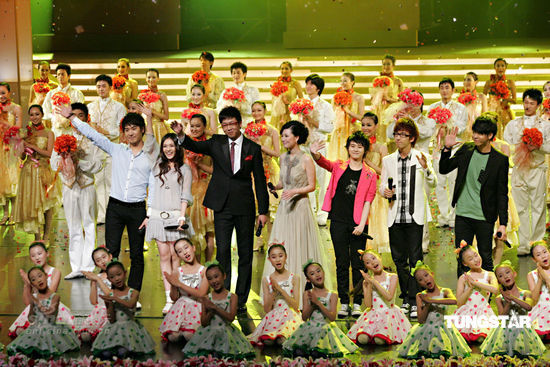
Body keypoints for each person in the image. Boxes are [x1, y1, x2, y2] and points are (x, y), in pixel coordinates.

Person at [172, 106, 269, 313]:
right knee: (222, 251)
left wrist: (263, 211)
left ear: (240, 123)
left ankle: (240, 299)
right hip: (222, 206)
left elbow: (260, 181)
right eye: (224, 125)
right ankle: (222, 295)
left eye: (232, 124)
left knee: (245, 254)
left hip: (245, 207)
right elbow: (195, 146)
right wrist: (181, 135)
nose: (228, 128)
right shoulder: (216, 142)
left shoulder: (252, 148)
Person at [57, 103, 158, 298]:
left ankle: (133, 295)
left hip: (137, 209)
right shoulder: (117, 149)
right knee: (112, 252)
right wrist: (72, 118)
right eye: (126, 129)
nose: (130, 133)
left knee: (137, 255)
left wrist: (150, 212)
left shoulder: (149, 156)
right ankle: (113, 293)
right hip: (115, 208)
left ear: (142, 130)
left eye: (134, 129)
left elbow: (153, 185)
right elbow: (94, 135)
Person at [310, 131, 377, 317]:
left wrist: (362, 225)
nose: (355, 149)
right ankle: (344, 301)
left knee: (358, 263)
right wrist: (315, 153)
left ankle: (357, 302)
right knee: (341, 262)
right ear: (348, 148)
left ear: (365, 150)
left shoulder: (370, 174)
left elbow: (368, 202)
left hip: (358, 224)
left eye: (360, 146)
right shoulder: (339, 166)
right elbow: (324, 163)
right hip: (338, 220)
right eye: (352, 146)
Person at [262, 121, 328, 304]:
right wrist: (275, 187)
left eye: (286, 136)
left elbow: (312, 186)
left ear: (297, 137)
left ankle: (301, 290)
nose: (283, 139)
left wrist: (294, 192)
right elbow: (284, 182)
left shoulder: (306, 159)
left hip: (300, 207)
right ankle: (282, 288)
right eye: (282, 136)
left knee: (299, 243)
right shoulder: (282, 158)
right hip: (285, 207)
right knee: (284, 243)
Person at [380, 118, 436, 318]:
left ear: (412, 138)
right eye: (396, 134)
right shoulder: (388, 160)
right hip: (395, 215)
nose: (399, 138)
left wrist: (427, 169)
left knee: (415, 259)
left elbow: (433, 182)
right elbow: (381, 186)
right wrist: (384, 192)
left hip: (415, 216)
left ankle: (414, 298)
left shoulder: (421, 157)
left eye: (403, 135)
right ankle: (405, 297)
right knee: (398, 260)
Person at [439, 115, 509, 276]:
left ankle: (486, 296)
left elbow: (502, 194)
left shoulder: (499, 160)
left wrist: (503, 223)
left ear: (490, 136)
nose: (475, 136)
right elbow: (444, 168)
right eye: (475, 132)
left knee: (485, 257)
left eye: (481, 133)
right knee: (462, 257)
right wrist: (447, 149)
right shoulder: (467, 150)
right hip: (463, 214)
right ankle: (464, 297)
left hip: (484, 216)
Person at [50, 103, 102, 279]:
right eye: (74, 115)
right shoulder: (62, 137)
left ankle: (88, 265)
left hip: (86, 186)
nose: (77, 118)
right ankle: (76, 266)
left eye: (81, 115)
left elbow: (98, 165)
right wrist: (65, 159)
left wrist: (79, 160)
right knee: (73, 227)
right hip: (69, 187)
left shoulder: (93, 139)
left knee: (89, 225)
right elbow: (52, 164)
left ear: (86, 118)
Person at [144, 133, 194, 314]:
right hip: (158, 217)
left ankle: (179, 294)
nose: (168, 149)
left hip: (175, 218)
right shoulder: (157, 166)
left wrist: (182, 216)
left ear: (177, 147)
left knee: (175, 255)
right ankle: (168, 298)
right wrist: (149, 215)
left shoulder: (185, 169)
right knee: (164, 256)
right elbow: (149, 145)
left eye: (171, 146)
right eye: (165, 146)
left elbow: (185, 195)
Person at [503, 88, 550, 256]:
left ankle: (536, 242)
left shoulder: (546, 125)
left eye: (531, 103)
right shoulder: (513, 124)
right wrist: (520, 145)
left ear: (538, 105)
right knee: (520, 207)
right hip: (519, 170)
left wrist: (537, 146)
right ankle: (523, 245)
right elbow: (506, 144)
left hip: (537, 169)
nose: (527, 106)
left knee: (538, 207)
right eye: (525, 102)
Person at [282, 261, 358, 358]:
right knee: (299, 352)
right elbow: (304, 317)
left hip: (325, 328)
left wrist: (318, 304)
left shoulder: (332, 294)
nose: (317, 275)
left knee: (318, 352)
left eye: (318, 271)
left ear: (323, 272)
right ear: (308, 279)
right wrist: (312, 305)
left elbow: (332, 317)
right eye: (312, 274)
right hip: (310, 328)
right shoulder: (307, 293)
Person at [182, 262, 256, 360]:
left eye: (216, 276)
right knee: (207, 355)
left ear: (224, 276)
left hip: (226, 331)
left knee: (226, 354)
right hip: (210, 331)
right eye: (210, 278)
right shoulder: (207, 298)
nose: (214, 281)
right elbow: (204, 323)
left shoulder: (232, 297)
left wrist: (215, 308)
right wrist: (211, 311)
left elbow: (230, 318)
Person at [398, 261, 471, 359]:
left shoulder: (445, 291)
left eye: (426, 275)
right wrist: (427, 304)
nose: (425, 279)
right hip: (427, 329)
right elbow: (420, 320)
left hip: (442, 327)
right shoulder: (420, 296)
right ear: (419, 283)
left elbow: (454, 301)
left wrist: (431, 300)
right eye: (420, 279)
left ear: (432, 274)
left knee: (442, 351)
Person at [7, 267, 80, 357]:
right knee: (29, 346)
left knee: (50, 348)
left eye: (40, 276)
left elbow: (51, 314)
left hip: (51, 328)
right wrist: (32, 307)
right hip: (37, 328)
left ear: (46, 276)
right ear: (32, 284)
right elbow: (30, 318)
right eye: (34, 279)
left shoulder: (55, 296)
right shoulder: (34, 297)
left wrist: (38, 304)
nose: (38, 280)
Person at [480, 261, 545, 357]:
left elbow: (528, 307)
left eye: (507, 272)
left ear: (514, 274)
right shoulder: (499, 298)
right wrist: (508, 303)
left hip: (522, 329)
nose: (505, 276)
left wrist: (512, 298)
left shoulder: (525, 293)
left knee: (524, 355)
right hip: (506, 329)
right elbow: (501, 317)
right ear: (498, 281)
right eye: (501, 276)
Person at [12, 105, 58, 241]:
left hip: (44, 170)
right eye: (31, 115)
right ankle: (37, 238)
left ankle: (47, 235)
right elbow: (21, 157)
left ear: (42, 114)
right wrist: (20, 146)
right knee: (32, 204)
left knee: (47, 205)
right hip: (29, 171)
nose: (34, 117)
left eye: (37, 114)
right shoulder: (25, 133)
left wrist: (33, 146)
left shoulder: (49, 133)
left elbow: (49, 154)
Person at [91, 261, 155, 359]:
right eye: (112, 277)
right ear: (109, 279)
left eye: (119, 274)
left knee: (124, 351)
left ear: (125, 273)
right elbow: (111, 319)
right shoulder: (110, 294)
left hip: (129, 327)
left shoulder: (133, 292)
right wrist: (110, 303)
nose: (116, 279)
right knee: (106, 353)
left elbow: (131, 305)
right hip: (114, 328)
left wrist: (115, 299)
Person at [9, 242, 74, 337]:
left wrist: (32, 283)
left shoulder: (55, 272)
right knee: (24, 330)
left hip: (51, 306)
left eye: (40, 254)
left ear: (47, 253)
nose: (37, 258)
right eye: (33, 256)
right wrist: (27, 284)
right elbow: (27, 303)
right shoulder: (30, 275)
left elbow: (50, 294)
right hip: (35, 307)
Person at [347, 249, 411, 345]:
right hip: (373, 314)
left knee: (379, 340)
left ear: (379, 258)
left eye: (373, 258)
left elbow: (389, 297)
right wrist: (367, 286)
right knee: (362, 339)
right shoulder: (367, 281)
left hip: (389, 314)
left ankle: (379, 337)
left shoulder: (392, 277)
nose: (373, 262)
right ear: (366, 267)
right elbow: (368, 305)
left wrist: (374, 282)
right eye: (368, 262)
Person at [428, 77, 468, 228]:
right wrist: (438, 125)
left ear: (453, 90)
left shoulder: (460, 108)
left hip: (454, 149)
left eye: (447, 87)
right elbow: (430, 127)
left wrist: (447, 122)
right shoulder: (432, 107)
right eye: (442, 87)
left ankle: (453, 215)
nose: (444, 90)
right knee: (439, 182)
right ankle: (442, 215)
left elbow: (462, 127)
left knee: (453, 182)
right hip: (438, 148)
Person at [88, 74, 126, 225]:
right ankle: (101, 215)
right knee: (97, 182)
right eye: (98, 86)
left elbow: (122, 130)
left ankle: (113, 215)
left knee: (111, 182)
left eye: (104, 86)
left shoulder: (119, 107)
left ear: (110, 88)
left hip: (112, 148)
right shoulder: (90, 106)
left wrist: (106, 132)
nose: (101, 89)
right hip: (96, 149)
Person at [248, 243, 302, 346]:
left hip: (290, 315)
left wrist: (280, 289)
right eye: (274, 257)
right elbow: (267, 309)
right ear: (269, 260)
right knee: (268, 341)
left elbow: (295, 305)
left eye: (280, 256)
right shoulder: (267, 280)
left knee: (282, 340)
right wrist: (273, 293)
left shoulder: (294, 278)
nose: (278, 260)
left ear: (285, 257)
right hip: (275, 316)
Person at [246, 101, 280, 251]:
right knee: (254, 207)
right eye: (253, 111)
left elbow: (277, 153)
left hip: (269, 169)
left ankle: (271, 240)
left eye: (259, 110)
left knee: (270, 207)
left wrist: (260, 145)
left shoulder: (272, 130)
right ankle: (257, 239)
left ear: (265, 111)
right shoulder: (247, 130)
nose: (256, 113)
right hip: (252, 170)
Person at [160, 238, 208, 342]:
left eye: (186, 248)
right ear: (178, 256)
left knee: (189, 335)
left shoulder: (204, 270)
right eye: (180, 251)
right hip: (182, 308)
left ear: (193, 248)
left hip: (197, 306)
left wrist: (179, 284)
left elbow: (201, 293)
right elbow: (174, 297)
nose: (185, 252)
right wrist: (173, 285)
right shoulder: (178, 271)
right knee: (174, 337)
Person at [182, 114, 215, 262]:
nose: (195, 129)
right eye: (192, 126)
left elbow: (215, 171)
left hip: (206, 191)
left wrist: (199, 164)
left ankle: (208, 265)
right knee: (192, 233)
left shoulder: (211, 145)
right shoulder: (184, 146)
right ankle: (196, 267)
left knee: (209, 234)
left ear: (204, 128)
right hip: (189, 191)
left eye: (198, 126)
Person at [303, 74, 335, 225]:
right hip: (303, 146)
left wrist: (313, 122)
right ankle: (309, 209)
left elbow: (330, 127)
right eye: (307, 84)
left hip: (320, 145)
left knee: (321, 179)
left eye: (311, 84)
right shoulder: (300, 104)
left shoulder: (326, 105)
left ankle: (322, 212)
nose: (308, 86)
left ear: (318, 88)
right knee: (305, 178)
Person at [453, 242, 498, 342]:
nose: (476, 260)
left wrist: (476, 283)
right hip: (467, 314)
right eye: (470, 259)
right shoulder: (463, 278)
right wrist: (469, 288)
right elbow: (459, 303)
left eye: (476, 255)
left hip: (483, 313)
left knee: (481, 338)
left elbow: (495, 289)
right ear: (465, 263)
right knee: (462, 338)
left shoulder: (489, 275)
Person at [361, 112, 390, 253]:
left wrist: (368, 162)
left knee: (376, 224)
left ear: (376, 127)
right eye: (363, 125)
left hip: (375, 190)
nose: (365, 128)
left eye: (369, 125)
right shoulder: (357, 145)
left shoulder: (381, 147)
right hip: (361, 188)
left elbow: (384, 172)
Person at [79, 247, 113, 342]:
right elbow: (94, 301)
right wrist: (94, 281)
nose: (102, 261)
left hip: (113, 310)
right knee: (85, 336)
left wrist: (98, 280)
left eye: (104, 257)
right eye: (98, 260)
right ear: (96, 264)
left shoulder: (117, 273)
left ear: (110, 257)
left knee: (107, 334)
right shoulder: (97, 277)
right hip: (100, 311)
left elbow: (111, 295)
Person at [328, 72, 364, 161]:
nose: (342, 83)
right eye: (341, 81)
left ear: (352, 82)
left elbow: (362, 118)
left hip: (352, 130)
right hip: (338, 131)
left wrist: (348, 111)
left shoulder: (359, 97)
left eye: (345, 81)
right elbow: (331, 115)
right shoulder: (335, 97)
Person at [0, 82, 22, 225]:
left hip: (12, 144)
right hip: (0, 146)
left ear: (9, 93)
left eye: (3, 92)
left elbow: (18, 126)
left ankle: (13, 213)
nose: (1, 96)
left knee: (13, 177)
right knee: (2, 179)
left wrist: (4, 124)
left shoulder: (16, 108)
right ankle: (5, 214)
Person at [42, 63, 85, 137]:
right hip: (55, 131)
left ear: (68, 76)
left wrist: (69, 119)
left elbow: (81, 113)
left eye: (62, 74)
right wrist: (54, 117)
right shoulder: (51, 94)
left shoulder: (77, 93)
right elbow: (45, 111)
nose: (60, 77)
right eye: (58, 74)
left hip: (72, 131)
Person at [483, 58, 516, 138]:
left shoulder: (510, 82)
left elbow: (514, 100)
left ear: (506, 68)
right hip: (492, 112)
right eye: (498, 66)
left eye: (502, 66)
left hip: (505, 111)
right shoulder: (489, 82)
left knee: (505, 135)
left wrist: (506, 98)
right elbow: (483, 99)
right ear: (495, 68)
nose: (500, 68)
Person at [527, 241, 550, 340]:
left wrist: (544, 275)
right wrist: (540, 279)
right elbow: (534, 297)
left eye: (545, 252)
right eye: (538, 255)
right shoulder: (531, 275)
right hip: (541, 309)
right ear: (534, 259)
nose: (543, 256)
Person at [270, 61, 303, 130]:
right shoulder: (277, 83)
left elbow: (301, 100)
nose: (284, 71)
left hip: (290, 113)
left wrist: (292, 105)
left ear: (291, 70)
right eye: (282, 69)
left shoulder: (296, 83)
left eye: (286, 68)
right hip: (278, 115)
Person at [140, 68, 170, 143]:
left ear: (158, 78)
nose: (151, 79)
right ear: (146, 79)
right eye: (149, 77)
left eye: (154, 77)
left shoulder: (162, 95)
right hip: (146, 126)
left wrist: (153, 111)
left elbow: (166, 117)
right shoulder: (141, 95)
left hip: (159, 127)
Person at [459, 72, 488, 140]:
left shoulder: (482, 97)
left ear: (476, 82)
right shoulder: (459, 98)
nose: (466, 82)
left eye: (469, 80)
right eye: (464, 80)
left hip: (478, 131)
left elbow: (485, 116)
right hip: (463, 131)